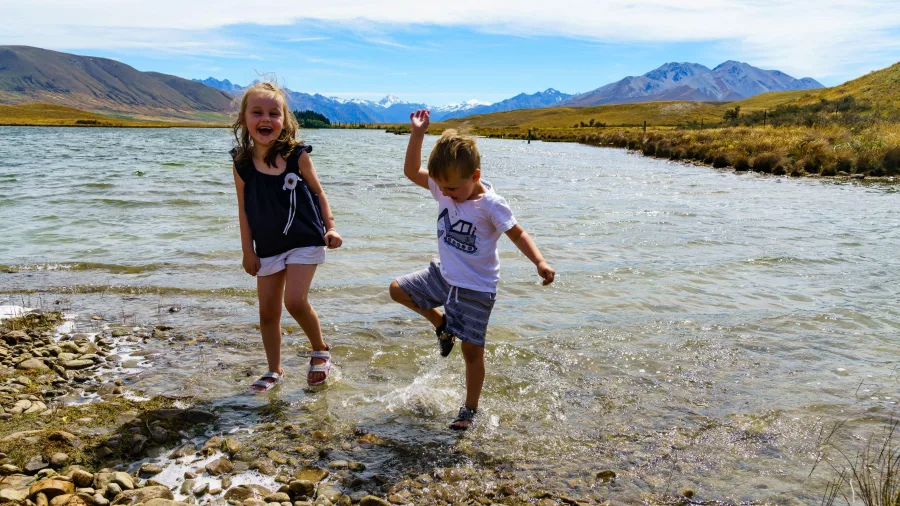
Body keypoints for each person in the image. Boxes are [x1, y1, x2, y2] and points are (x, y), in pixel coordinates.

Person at [389, 109, 555, 430]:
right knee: (398, 290)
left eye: (452, 189)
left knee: (472, 352)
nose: (445, 194)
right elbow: (411, 171)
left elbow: (518, 233)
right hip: (444, 275)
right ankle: (441, 324)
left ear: (475, 177)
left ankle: (469, 409)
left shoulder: (491, 205)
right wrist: (418, 134)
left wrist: (540, 262)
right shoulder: (444, 185)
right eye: (442, 188)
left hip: (477, 289)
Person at [230, 82, 342, 391]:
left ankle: (320, 349)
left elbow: (319, 193)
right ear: (243, 119)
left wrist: (330, 226)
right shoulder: (241, 164)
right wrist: (247, 251)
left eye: (273, 113)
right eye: (257, 113)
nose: (265, 119)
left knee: (294, 300)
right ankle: (274, 370)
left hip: (305, 237)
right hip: (267, 245)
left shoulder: (296, 156)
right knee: (267, 311)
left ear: (284, 120)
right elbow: (243, 210)